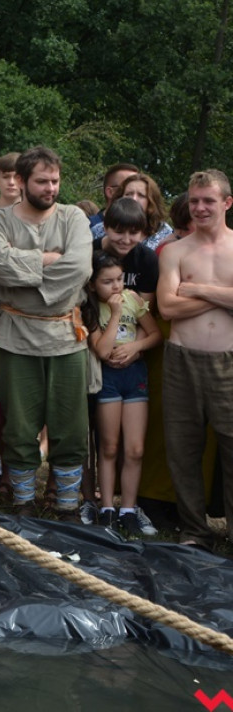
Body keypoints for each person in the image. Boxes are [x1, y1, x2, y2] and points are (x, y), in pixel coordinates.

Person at [0, 146, 92, 519]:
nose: (50, 188)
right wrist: (47, 260)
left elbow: (78, 268)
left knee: (70, 426)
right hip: (16, 335)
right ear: (22, 181)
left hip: (65, 334)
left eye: (55, 181)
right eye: (42, 181)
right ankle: (24, 503)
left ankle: (66, 505)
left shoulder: (73, 217)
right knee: (20, 425)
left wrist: (26, 272)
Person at [157, 169, 233, 551]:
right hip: (181, 360)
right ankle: (194, 530)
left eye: (208, 200)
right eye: (195, 200)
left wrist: (199, 288)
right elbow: (168, 307)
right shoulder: (174, 251)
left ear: (226, 203)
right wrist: (226, 294)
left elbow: (180, 298)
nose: (200, 207)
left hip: (228, 363)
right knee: (183, 448)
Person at [83, 251, 161, 536]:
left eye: (119, 279)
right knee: (110, 446)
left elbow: (154, 335)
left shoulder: (134, 299)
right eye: (107, 282)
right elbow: (102, 351)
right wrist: (115, 314)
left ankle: (128, 509)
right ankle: (106, 507)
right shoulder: (90, 308)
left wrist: (134, 348)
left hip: (135, 375)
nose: (116, 287)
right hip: (108, 379)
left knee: (135, 448)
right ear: (92, 284)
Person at [93, 196, 158, 303]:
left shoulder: (148, 259)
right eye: (119, 232)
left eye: (133, 233)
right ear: (105, 228)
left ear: (142, 232)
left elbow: (146, 309)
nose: (126, 240)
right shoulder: (90, 252)